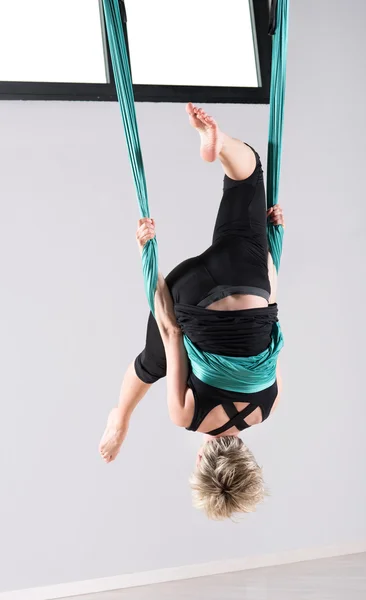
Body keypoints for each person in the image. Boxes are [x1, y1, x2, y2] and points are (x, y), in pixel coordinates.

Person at [99, 103, 285, 520]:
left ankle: (221, 146)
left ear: (247, 458)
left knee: (249, 173)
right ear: (202, 462)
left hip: (251, 282)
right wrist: (149, 257)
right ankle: (121, 417)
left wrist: (272, 247)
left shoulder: (271, 405)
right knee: (152, 363)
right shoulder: (187, 417)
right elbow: (171, 331)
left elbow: (269, 326)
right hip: (194, 294)